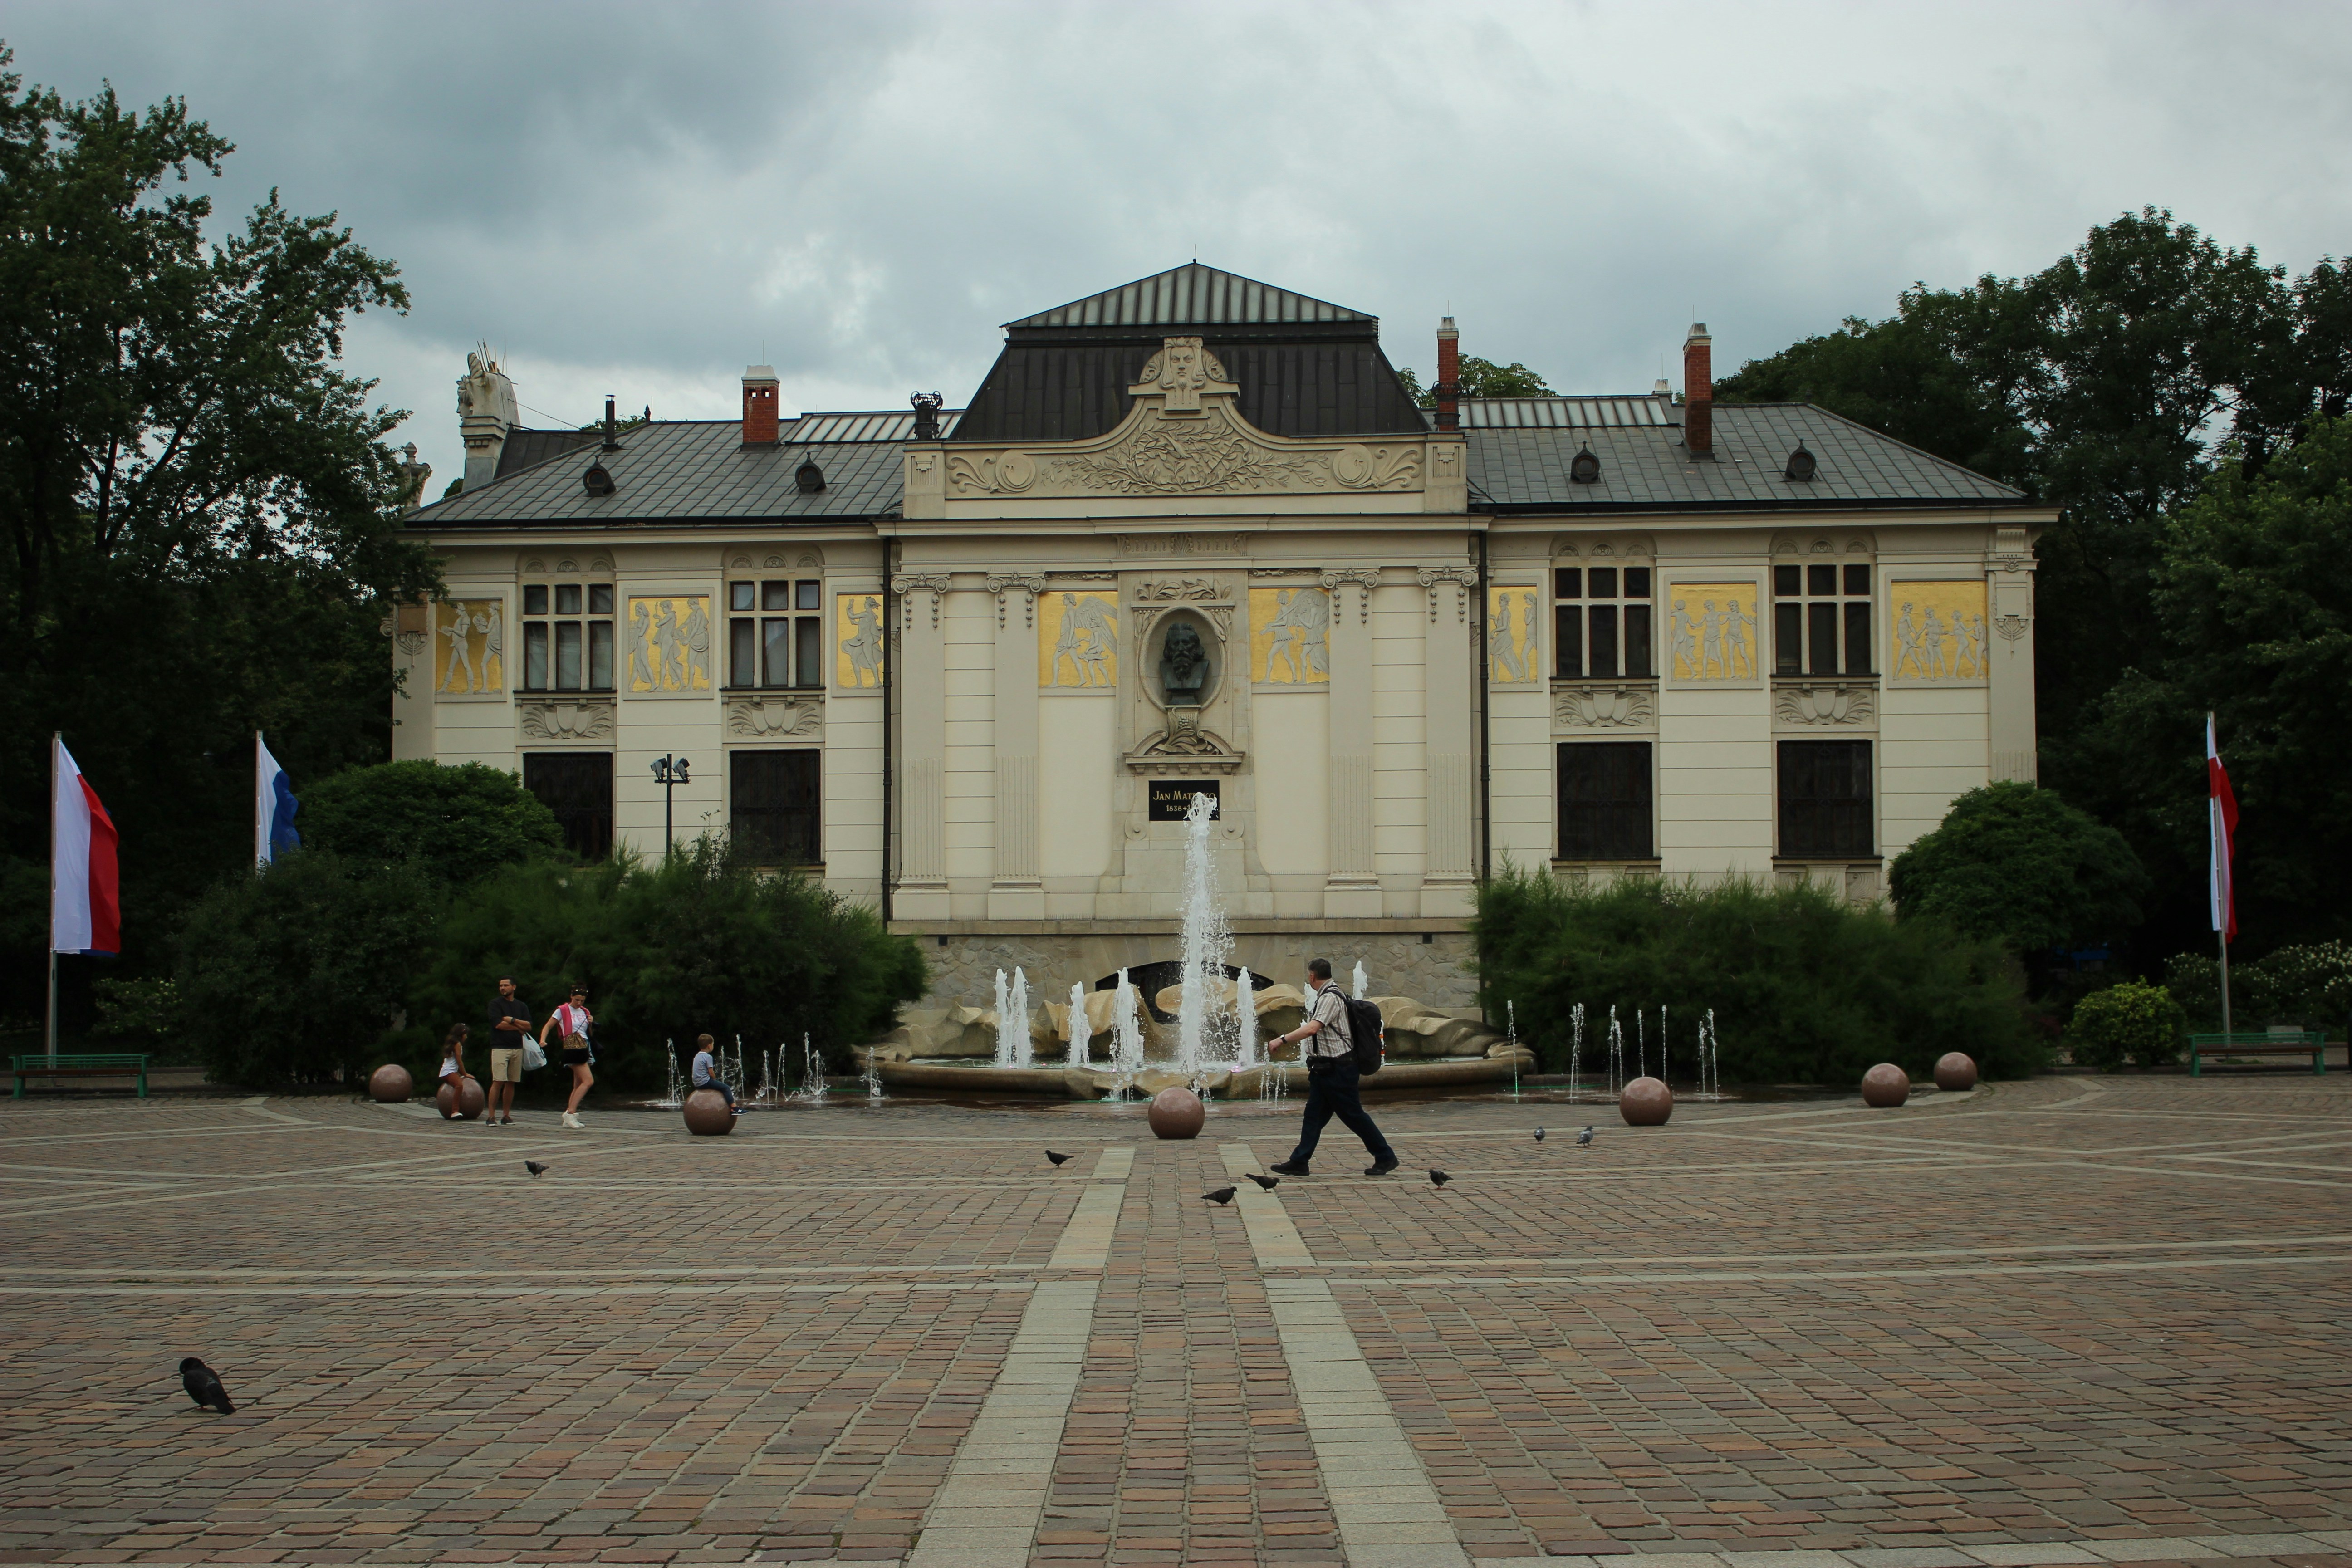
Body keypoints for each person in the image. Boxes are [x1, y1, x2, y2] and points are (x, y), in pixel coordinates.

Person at [1267, 958, 1398, 1178]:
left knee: (1353, 1116)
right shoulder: (1332, 995)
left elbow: (1312, 1029)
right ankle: (1299, 1162)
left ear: (1312, 976)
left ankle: (1385, 1156)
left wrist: (1282, 1039)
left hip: (1338, 1069)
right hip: (1324, 1069)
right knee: (1314, 1116)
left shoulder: (1330, 998)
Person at [540, 985, 595, 1130]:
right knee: (588, 1081)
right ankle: (570, 1113)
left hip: (584, 1047)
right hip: (572, 1046)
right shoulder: (562, 1010)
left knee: (578, 1084)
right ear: (572, 997)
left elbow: (588, 1033)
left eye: (582, 1001)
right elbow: (548, 1026)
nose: (579, 1003)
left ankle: (570, 1113)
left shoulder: (585, 1011)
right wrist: (543, 1040)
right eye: (577, 1000)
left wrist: (590, 1022)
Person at [485, 977, 531, 1126]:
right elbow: (498, 1025)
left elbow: (529, 1026)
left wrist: (512, 1020)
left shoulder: (521, 1006)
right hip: (500, 1047)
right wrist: (519, 1026)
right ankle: (491, 1116)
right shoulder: (495, 1004)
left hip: (517, 1048)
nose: (503, 988)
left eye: (506, 985)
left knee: (512, 1082)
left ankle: (506, 1115)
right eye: (501, 986)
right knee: (498, 1080)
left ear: (514, 987)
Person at [691, 1034, 742, 1116]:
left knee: (719, 1086)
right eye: (713, 1044)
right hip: (705, 1082)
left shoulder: (697, 1056)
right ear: (709, 1046)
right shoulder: (708, 1057)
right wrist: (714, 1080)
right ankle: (734, 1108)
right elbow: (711, 1072)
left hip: (697, 1083)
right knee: (726, 1088)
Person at [438, 1024, 472, 1114]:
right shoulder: (458, 1044)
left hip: (446, 1072)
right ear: (461, 1035)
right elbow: (459, 1061)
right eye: (465, 1034)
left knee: (459, 1083)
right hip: (449, 1072)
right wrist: (465, 1074)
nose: (467, 1036)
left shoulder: (453, 1043)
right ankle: (455, 1111)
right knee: (459, 1086)